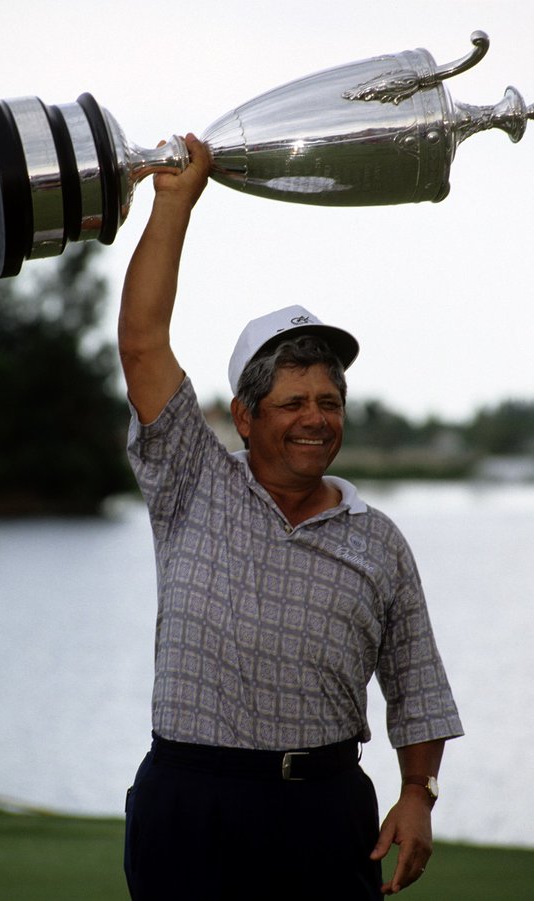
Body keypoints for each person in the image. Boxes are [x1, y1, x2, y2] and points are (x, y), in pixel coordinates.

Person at [119, 134, 463, 900]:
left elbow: (417, 686)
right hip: (190, 803)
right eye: (294, 402)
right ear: (244, 416)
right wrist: (175, 202)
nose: (316, 419)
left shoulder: (378, 538)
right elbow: (143, 345)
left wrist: (419, 792)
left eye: (329, 401)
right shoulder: (190, 480)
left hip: (325, 810)